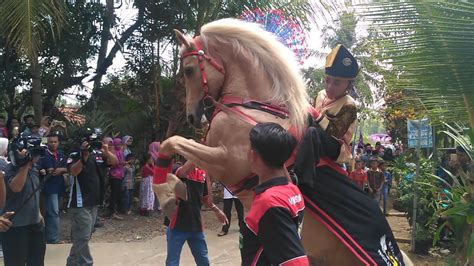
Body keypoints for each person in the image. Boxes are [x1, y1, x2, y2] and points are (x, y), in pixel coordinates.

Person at [241, 122, 308, 265]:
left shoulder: (269, 203)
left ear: (253, 155)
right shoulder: (291, 189)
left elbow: (296, 262)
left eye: (249, 147)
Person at [66, 128, 118, 266]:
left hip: (95, 202)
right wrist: (84, 156)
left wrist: (106, 151)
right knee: (82, 236)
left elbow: (114, 162)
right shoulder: (75, 154)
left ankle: (71, 262)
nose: (92, 143)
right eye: (90, 140)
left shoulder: (99, 155)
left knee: (84, 237)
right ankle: (86, 263)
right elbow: (73, 172)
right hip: (80, 202)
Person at [161, 161, 228, 266]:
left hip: (196, 226)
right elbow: (183, 173)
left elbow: (206, 199)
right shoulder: (176, 168)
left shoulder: (202, 175)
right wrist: (200, 149)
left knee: (203, 261)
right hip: (177, 226)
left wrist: (217, 211)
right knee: (172, 262)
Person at [2, 138, 46, 265]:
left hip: (34, 225)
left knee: (37, 261)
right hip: (15, 226)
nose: (37, 155)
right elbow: (16, 187)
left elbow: (34, 192)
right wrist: (25, 163)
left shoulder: (35, 168)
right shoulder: (10, 169)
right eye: (35, 152)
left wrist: (38, 213)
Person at [313, 44, 359, 164]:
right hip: (313, 144)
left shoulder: (349, 105)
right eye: (327, 80)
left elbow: (336, 133)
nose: (329, 87)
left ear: (348, 85)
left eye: (336, 83)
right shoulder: (320, 94)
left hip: (336, 150)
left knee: (313, 133)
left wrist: (315, 115)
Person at [40, 133, 67, 244]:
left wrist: (61, 170)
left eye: (55, 142)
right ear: (47, 142)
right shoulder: (43, 155)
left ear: (58, 143)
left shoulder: (61, 154)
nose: (53, 144)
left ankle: (48, 236)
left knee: (54, 212)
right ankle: (53, 238)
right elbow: (43, 169)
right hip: (48, 188)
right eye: (51, 141)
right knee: (53, 213)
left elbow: (67, 167)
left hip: (59, 186)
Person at [108, 138, 124, 220]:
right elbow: (112, 163)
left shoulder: (121, 152)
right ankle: (112, 212)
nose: (119, 145)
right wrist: (118, 163)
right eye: (118, 144)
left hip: (120, 174)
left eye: (120, 144)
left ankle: (114, 210)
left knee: (117, 194)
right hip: (114, 175)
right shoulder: (113, 152)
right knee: (113, 194)